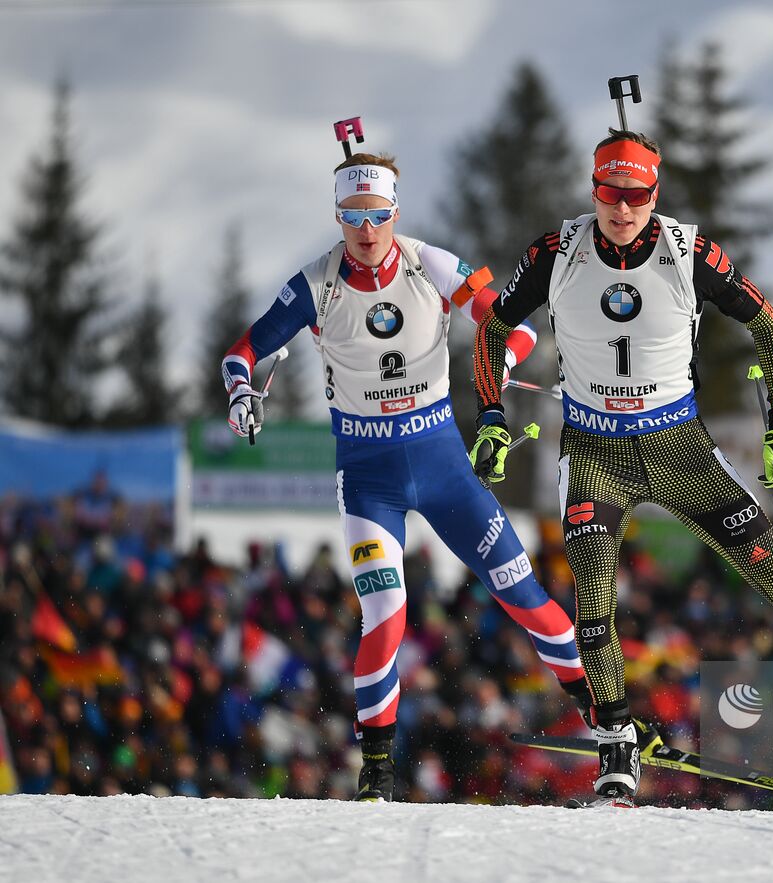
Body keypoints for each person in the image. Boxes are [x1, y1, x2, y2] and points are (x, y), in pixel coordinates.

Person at [470, 128, 773, 803]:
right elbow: (492, 326)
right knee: (592, 598)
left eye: (637, 195)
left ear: (655, 194)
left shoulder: (687, 252)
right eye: (609, 192)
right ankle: (617, 741)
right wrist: (489, 415)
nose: (622, 209)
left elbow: (767, 323)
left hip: (679, 447)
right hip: (596, 453)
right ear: (593, 188)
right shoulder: (556, 252)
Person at [220, 148, 591, 802]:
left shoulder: (432, 263)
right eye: (352, 216)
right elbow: (243, 352)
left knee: (522, 592)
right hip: (369, 481)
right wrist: (242, 393)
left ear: (395, 211)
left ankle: (604, 718)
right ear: (338, 216)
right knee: (386, 611)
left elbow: (516, 328)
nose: (366, 231)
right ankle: (377, 770)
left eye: (378, 215)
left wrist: (500, 356)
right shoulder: (316, 283)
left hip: (443, 467)